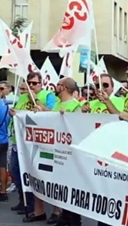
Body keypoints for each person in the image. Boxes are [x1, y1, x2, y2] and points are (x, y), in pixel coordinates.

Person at [18, 72, 60, 224]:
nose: (31, 86)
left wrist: (37, 103)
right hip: (26, 143)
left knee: (51, 178)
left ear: (41, 83)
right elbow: (18, 114)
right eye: (29, 83)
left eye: (34, 83)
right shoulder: (22, 97)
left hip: (47, 145)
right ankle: (38, 211)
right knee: (33, 177)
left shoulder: (48, 95)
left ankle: (56, 211)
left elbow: (52, 114)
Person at [49, 77, 83, 226]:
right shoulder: (57, 104)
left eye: (57, 85)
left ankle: (73, 219)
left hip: (71, 153)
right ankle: (64, 214)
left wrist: (67, 117)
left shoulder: (76, 105)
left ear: (62, 87)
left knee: (72, 185)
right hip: (58, 151)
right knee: (62, 184)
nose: (55, 87)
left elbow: (80, 126)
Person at [9, 82, 35, 217]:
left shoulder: (44, 96)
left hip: (31, 144)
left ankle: (31, 205)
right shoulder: (21, 99)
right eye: (23, 88)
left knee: (29, 176)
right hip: (16, 142)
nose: (25, 90)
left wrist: (35, 100)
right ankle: (22, 200)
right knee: (16, 173)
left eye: (33, 84)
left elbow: (46, 112)